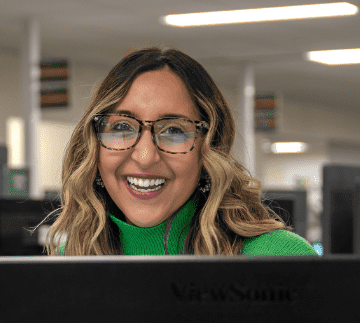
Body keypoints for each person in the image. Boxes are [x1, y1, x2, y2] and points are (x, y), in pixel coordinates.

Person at [46, 47, 317, 256]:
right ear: (94, 144)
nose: (145, 156)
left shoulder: (275, 258)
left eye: (174, 131)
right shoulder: (71, 259)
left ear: (209, 146)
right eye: (122, 127)